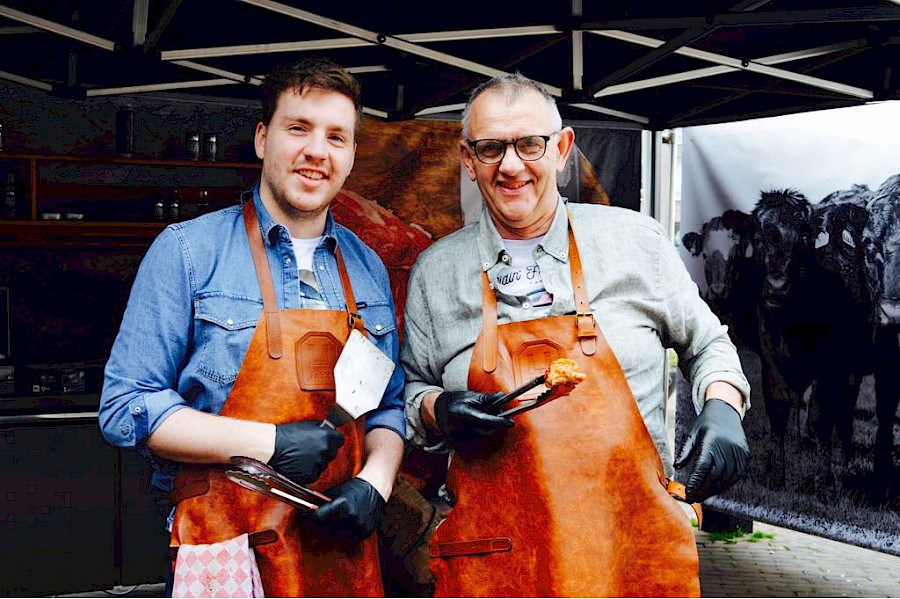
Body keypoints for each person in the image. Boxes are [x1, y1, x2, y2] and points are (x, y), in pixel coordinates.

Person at [400, 72, 751, 597]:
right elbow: (410, 390)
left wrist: (723, 407)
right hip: (497, 561)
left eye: (530, 144)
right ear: (468, 161)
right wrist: (438, 409)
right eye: (491, 148)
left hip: (630, 549)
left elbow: (708, 345)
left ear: (562, 149)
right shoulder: (436, 272)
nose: (511, 165)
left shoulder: (635, 241)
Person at [99, 57, 405, 597]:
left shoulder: (369, 268)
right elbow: (127, 406)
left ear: (352, 155)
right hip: (225, 551)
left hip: (339, 553)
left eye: (336, 137)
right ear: (263, 139)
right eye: (299, 128)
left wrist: (374, 484)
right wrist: (267, 442)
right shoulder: (188, 252)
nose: (317, 151)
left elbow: (387, 406)